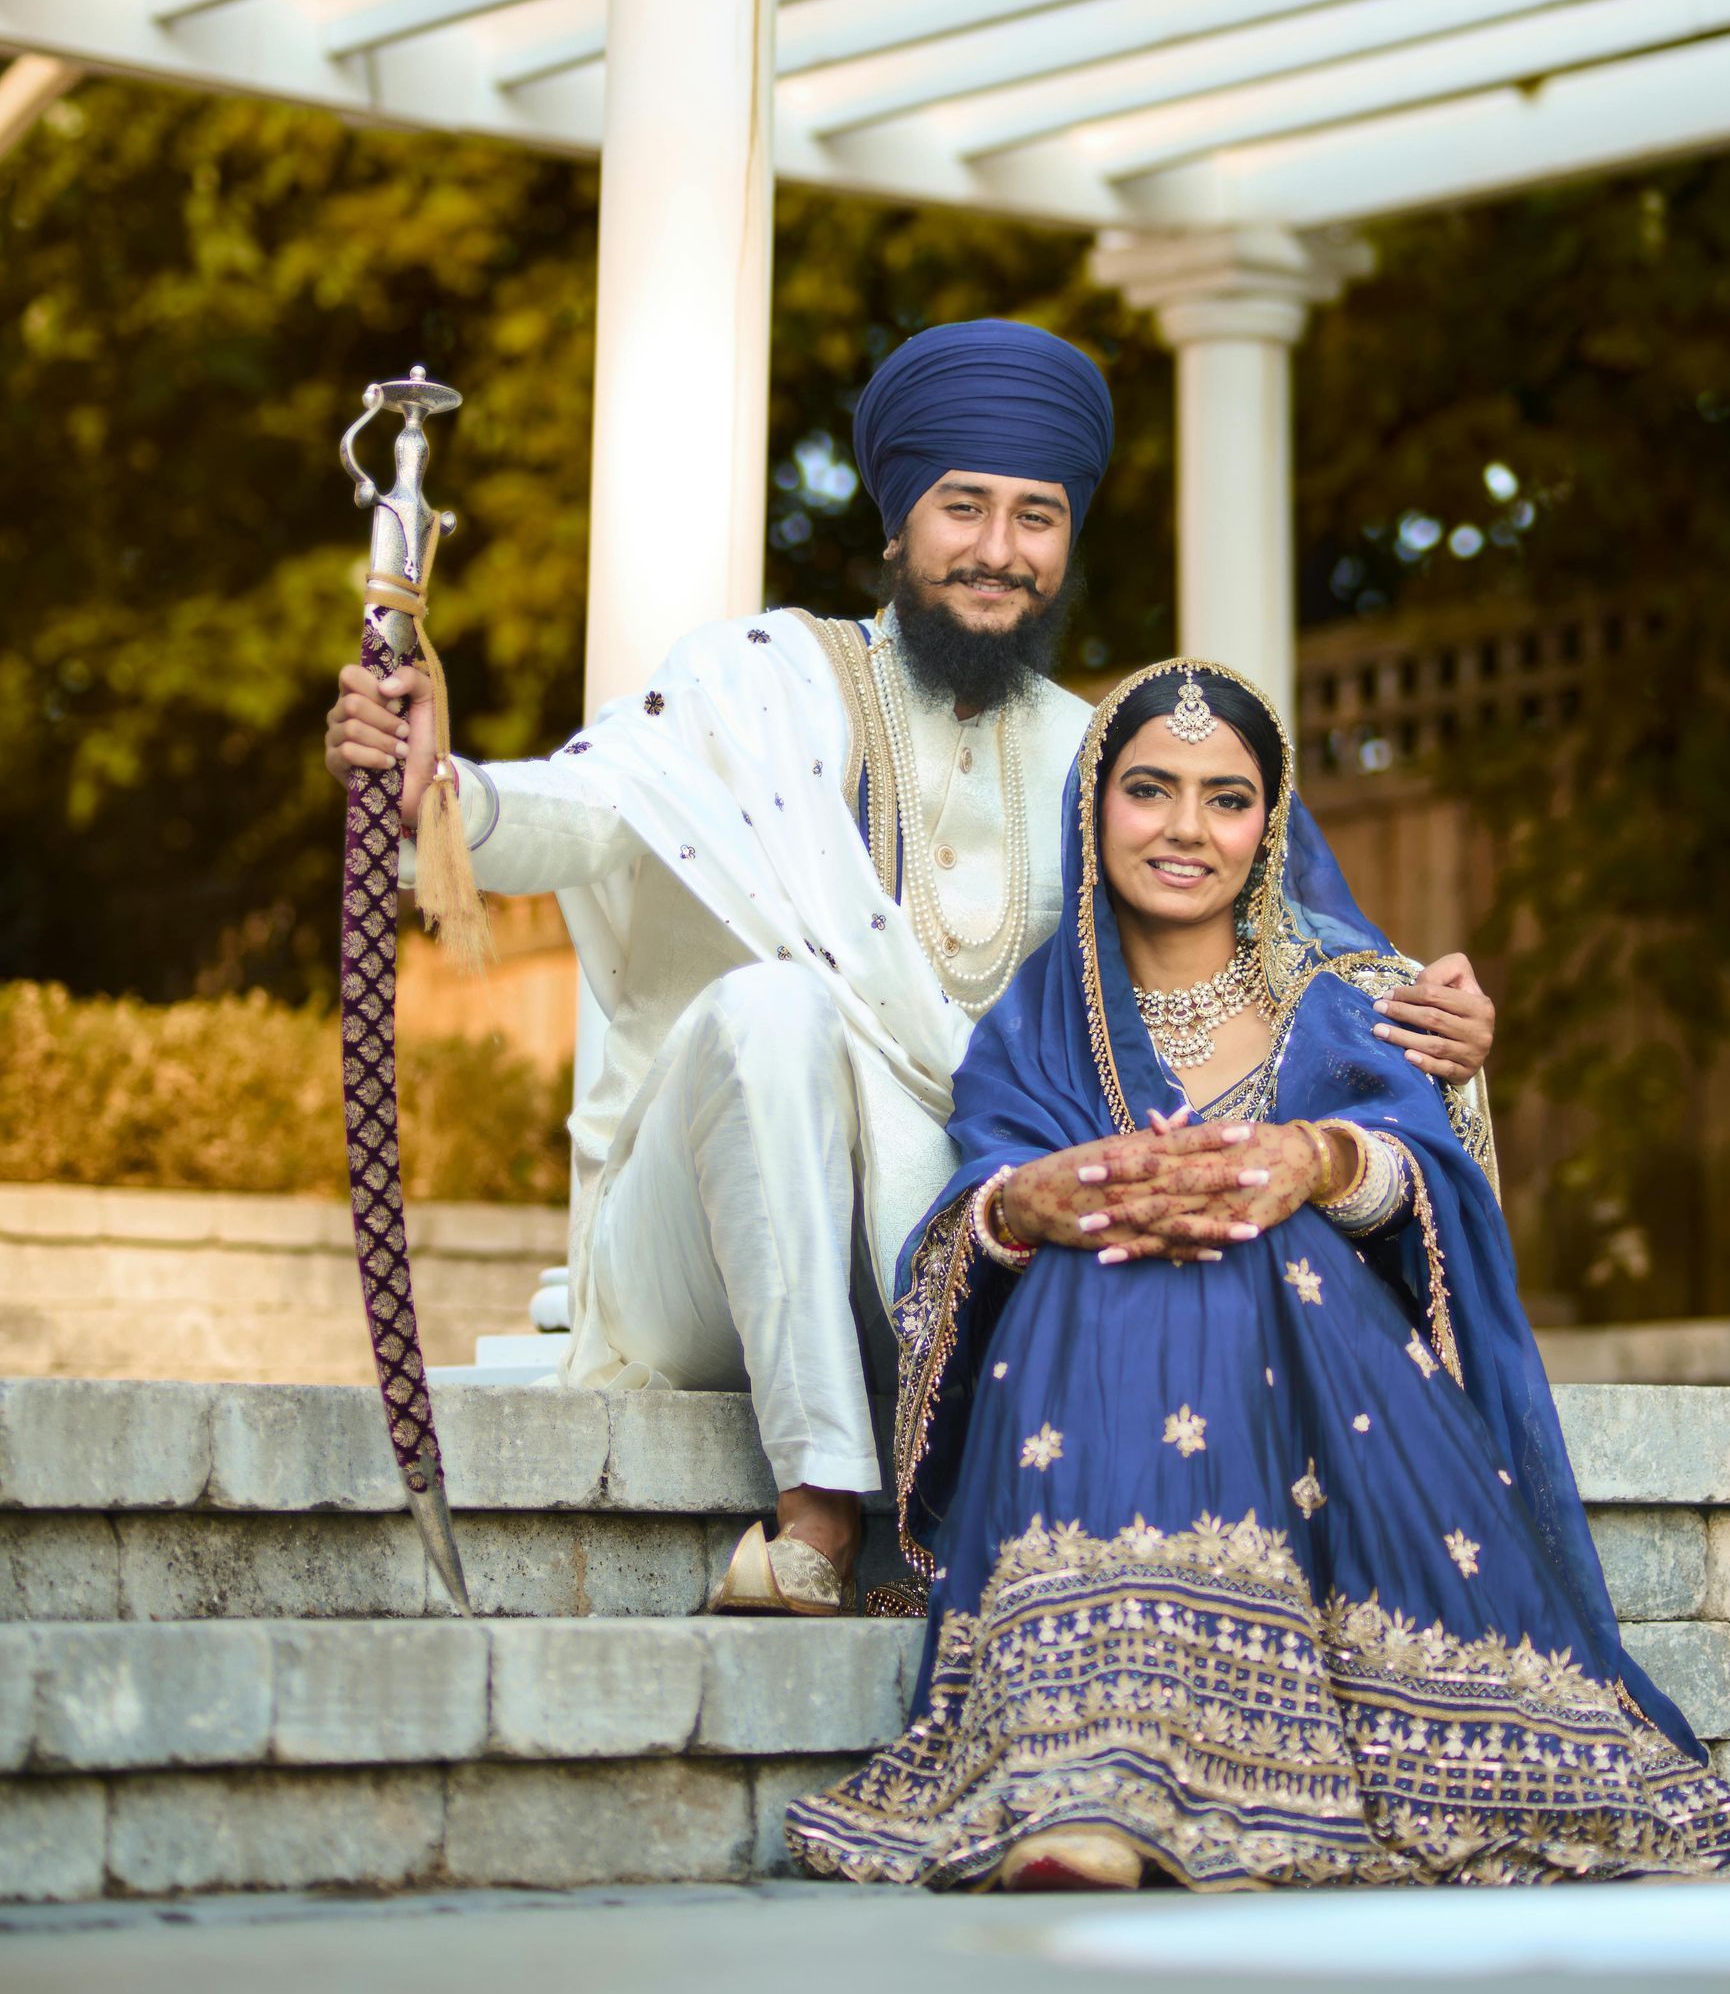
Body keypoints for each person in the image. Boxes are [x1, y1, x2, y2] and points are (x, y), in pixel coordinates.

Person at [323, 325, 1496, 1618]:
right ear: (897, 525)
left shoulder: (1098, 758)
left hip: (959, 1263)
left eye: (1035, 516)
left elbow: (1283, 944)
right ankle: (819, 1516)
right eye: (964, 508)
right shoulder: (766, 684)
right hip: (698, 1268)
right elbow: (585, 813)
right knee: (777, 1009)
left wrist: (1427, 1010)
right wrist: (435, 787)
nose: (998, 549)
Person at [786, 661, 1730, 1888]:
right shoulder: (1037, 1025)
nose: (1188, 829)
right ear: (1094, 811)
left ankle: (1125, 1791)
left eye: (1227, 799)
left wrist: (1315, 1160)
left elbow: (1440, 1202)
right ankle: (1090, 1775)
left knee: (1235, 1238)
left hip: (1320, 1398)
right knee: (1108, 1249)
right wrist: (1035, 1204)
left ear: (1270, 825)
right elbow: (967, 1221)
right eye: (1150, 790)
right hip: (1092, 1381)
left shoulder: (1352, 1006)